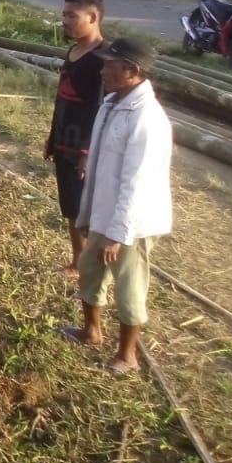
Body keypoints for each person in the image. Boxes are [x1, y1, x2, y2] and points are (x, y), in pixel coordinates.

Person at [65, 37, 172, 374]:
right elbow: (100, 166)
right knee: (90, 271)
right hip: (104, 212)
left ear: (132, 71)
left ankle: (127, 354)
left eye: (110, 65)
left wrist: (118, 233)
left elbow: (136, 181)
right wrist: (89, 214)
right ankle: (91, 331)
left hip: (131, 223)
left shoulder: (147, 118)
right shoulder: (113, 104)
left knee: (129, 286)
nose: (102, 70)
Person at [44, 0, 105, 277]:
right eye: (64, 15)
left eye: (72, 15)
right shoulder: (75, 51)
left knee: (84, 212)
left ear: (92, 17)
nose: (65, 21)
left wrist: (87, 153)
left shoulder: (103, 60)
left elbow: (99, 110)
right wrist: (52, 138)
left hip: (82, 149)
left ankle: (90, 267)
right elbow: (64, 100)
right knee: (70, 207)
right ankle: (78, 261)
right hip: (63, 140)